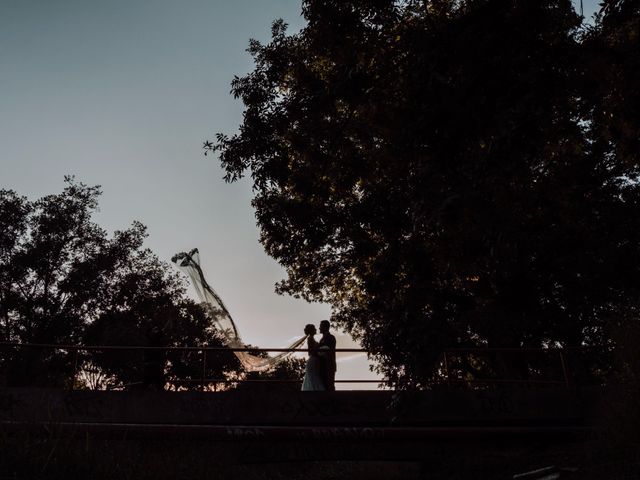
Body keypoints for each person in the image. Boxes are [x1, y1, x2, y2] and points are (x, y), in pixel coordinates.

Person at [301, 324, 325, 391]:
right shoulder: (310, 339)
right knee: (313, 377)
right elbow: (310, 352)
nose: (316, 329)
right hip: (313, 360)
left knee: (314, 376)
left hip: (315, 360)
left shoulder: (312, 339)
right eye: (314, 328)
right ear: (312, 330)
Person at [318, 320, 337, 391]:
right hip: (322, 365)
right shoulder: (321, 339)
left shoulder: (331, 337)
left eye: (321, 326)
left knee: (329, 385)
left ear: (325, 327)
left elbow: (329, 351)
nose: (319, 328)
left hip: (328, 365)